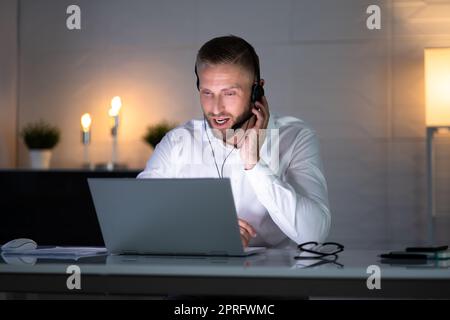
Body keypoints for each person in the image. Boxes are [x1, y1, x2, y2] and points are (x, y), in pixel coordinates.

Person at [138, 35, 330, 249]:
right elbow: (136, 220)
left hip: (274, 275)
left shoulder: (295, 137)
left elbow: (314, 235)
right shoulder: (177, 142)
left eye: (229, 93)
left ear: (257, 90)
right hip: (195, 273)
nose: (216, 108)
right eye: (207, 93)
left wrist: (254, 164)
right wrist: (204, 230)